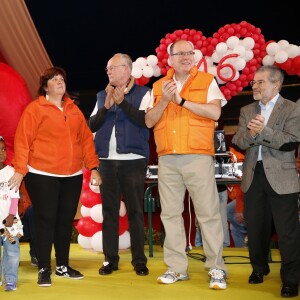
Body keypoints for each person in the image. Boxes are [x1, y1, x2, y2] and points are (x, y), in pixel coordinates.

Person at [145, 39, 228, 289]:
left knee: (208, 214)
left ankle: (216, 268)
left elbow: (215, 113)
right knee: (170, 214)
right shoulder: (159, 86)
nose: (186, 57)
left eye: (189, 53)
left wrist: (181, 101)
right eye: (180, 53)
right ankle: (176, 268)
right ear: (169, 59)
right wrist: (164, 101)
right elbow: (149, 121)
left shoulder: (206, 80)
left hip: (198, 155)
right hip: (168, 157)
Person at [8, 67, 101, 287]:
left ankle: (62, 266)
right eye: (54, 79)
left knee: (64, 220)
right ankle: (43, 268)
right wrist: (20, 169)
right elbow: (23, 140)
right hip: (42, 173)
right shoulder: (35, 109)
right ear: (45, 86)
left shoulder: (74, 110)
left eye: (62, 79)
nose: (60, 82)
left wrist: (93, 167)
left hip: (72, 174)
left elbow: (86, 140)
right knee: (45, 219)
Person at [232, 65, 300, 298]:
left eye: (261, 82)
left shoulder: (291, 108)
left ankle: (291, 280)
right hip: (253, 176)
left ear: (277, 84)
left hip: (283, 177)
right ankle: (258, 269)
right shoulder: (246, 109)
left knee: (287, 232)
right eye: (254, 82)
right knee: (256, 228)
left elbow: (292, 141)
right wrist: (251, 135)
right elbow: (239, 141)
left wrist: (263, 131)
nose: (255, 86)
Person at [88, 53, 150, 277]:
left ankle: (139, 261)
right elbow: (91, 126)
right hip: (106, 161)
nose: (109, 72)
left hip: (133, 160)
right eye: (107, 69)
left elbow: (145, 121)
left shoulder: (144, 93)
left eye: (112, 68)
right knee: (109, 211)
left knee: (135, 211)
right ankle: (110, 260)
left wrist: (122, 103)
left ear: (127, 69)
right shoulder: (99, 96)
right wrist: (105, 107)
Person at [0, 136, 23, 291]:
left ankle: (10, 279)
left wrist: (10, 215)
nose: (1, 152)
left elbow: (15, 197)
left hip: (9, 223)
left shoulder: (11, 172)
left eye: (3, 149)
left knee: (12, 251)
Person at [19, 181, 37, 266]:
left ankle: (35, 255)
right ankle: (10, 258)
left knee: (33, 211)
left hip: (26, 213)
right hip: (12, 214)